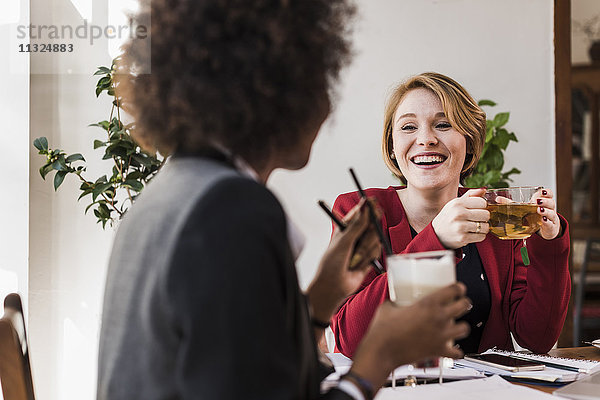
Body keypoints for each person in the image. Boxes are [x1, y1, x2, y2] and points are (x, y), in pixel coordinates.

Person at [96, 3, 471, 400]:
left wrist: (321, 300)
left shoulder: (175, 189)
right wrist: (378, 359)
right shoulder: (232, 209)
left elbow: (255, 376)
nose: (327, 108)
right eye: (316, 84)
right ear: (272, 94)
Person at [330, 72, 571, 358]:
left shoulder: (495, 213)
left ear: (469, 140)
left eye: (443, 124)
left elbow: (537, 338)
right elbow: (351, 340)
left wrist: (550, 244)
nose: (426, 139)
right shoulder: (360, 212)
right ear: (392, 147)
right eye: (408, 127)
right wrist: (436, 240)